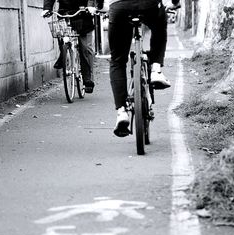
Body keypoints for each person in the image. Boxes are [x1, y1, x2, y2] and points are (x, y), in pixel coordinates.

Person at [103, 0, 181, 137]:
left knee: (117, 61)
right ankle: (156, 69)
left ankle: (121, 111)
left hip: (119, 6)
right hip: (149, 5)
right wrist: (174, 2)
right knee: (160, 24)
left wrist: (99, 6)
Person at [42, 0, 104, 93]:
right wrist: (47, 8)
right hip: (65, 14)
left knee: (85, 48)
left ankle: (88, 79)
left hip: (83, 13)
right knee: (62, 38)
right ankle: (63, 55)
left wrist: (92, 6)